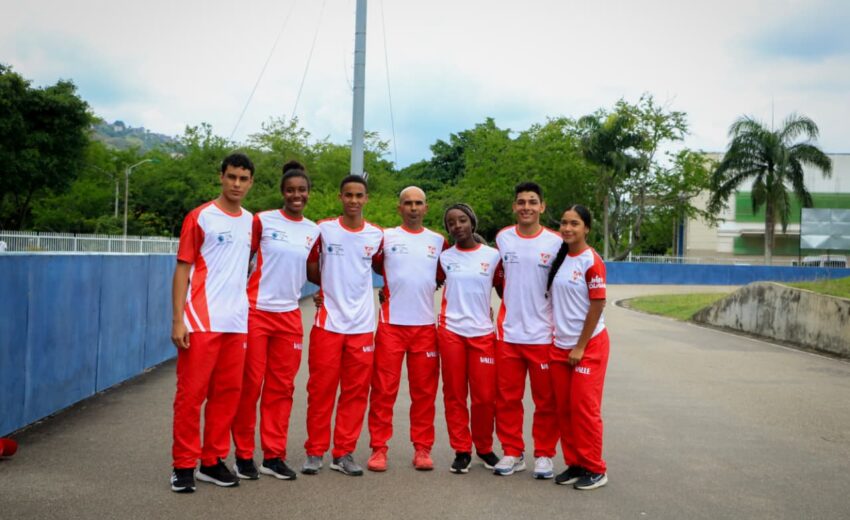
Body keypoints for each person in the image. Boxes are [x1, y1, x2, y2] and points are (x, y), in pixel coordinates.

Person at [169, 152, 255, 493]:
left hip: (237, 321)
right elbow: (182, 268)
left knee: (227, 395)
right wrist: (178, 319)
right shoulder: (200, 217)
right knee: (191, 396)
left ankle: (211, 461)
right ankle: (183, 465)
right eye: (231, 176)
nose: (236, 184)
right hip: (201, 321)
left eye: (243, 179)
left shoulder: (251, 221)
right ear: (221, 177)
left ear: (250, 182)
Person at [230, 161, 320, 481]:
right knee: (250, 385)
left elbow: (315, 271)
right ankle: (243, 456)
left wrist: (331, 290)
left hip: (289, 315)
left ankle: (273, 456)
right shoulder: (262, 220)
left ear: (308, 193)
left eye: (302, 190)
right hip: (256, 311)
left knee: (281, 388)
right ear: (283, 192)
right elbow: (240, 260)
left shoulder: (313, 230)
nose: (297, 195)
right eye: (291, 190)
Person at [301, 174, 383, 477]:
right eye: (348, 195)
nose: (354, 200)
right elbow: (311, 268)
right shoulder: (323, 229)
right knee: (320, 390)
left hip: (361, 327)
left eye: (359, 195)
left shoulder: (376, 235)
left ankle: (343, 453)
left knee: (355, 392)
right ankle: (314, 451)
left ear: (366, 199)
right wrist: (325, 289)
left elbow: (388, 268)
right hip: (328, 324)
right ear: (340, 197)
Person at [366, 186, 447, 472]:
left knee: (424, 393)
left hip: (424, 327)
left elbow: (444, 274)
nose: (413, 208)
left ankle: (422, 448)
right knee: (383, 391)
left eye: (418, 203)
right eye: (408, 203)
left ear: (426, 207)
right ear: (399, 208)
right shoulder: (385, 237)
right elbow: (373, 266)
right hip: (391, 326)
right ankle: (379, 448)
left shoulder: (438, 241)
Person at [493, 182, 563, 478]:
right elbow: (498, 279)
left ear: (542, 207)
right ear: (514, 206)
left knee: (545, 400)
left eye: (532, 202)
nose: (526, 207)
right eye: (521, 202)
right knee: (507, 399)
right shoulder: (503, 238)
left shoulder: (556, 242)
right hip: (508, 334)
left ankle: (544, 454)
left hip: (543, 335)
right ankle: (512, 452)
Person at [547, 204, 610, 490]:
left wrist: (580, 346)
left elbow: (597, 304)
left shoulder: (591, 260)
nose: (568, 228)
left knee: (584, 409)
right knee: (564, 410)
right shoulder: (561, 258)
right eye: (564, 223)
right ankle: (575, 463)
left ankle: (595, 468)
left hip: (588, 345)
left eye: (574, 223)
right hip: (561, 345)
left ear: (587, 228)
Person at [438, 203, 502, 474]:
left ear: (472, 222)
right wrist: (387, 293)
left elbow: (507, 290)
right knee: (454, 394)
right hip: (451, 331)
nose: (457, 226)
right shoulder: (443, 258)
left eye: (462, 220)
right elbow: (422, 282)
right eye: (451, 223)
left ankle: (484, 447)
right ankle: (461, 450)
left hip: (483, 334)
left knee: (485, 397)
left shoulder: (493, 256)